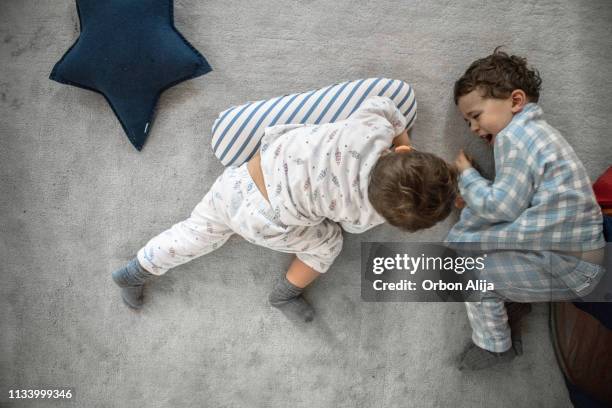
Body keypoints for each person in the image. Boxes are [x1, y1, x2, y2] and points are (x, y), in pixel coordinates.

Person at [112, 96, 458, 321]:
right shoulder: (366, 213)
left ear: (401, 154)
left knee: (193, 233)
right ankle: (286, 293)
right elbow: (345, 228)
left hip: (240, 179)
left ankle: (137, 269)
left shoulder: (370, 127)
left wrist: (404, 142)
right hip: (268, 220)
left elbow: (385, 105)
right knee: (327, 244)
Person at [447, 48, 606, 370]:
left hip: (569, 266)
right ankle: (513, 296)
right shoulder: (539, 133)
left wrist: (467, 175)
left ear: (516, 102)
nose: (474, 129)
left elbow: (500, 207)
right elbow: (521, 201)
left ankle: (495, 347)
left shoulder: (514, 139)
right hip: (580, 248)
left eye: (476, 116)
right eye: (467, 123)